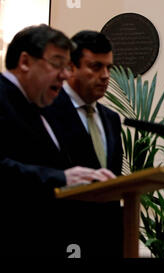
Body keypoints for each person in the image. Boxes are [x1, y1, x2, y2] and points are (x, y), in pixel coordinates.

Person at [0, 25, 115, 257]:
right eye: (56, 64)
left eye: (66, 67)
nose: (64, 74)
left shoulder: (33, 106)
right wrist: (62, 178)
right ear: (25, 62)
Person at [43, 31, 123, 257]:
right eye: (96, 67)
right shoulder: (46, 110)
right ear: (70, 68)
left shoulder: (111, 118)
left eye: (109, 68)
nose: (105, 75)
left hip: (106, 240)